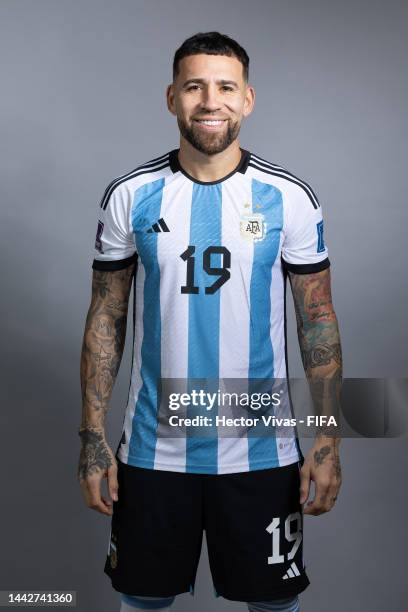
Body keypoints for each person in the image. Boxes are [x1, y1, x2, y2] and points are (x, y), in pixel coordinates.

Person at [78, 31, 342, 612]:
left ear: (248, 99)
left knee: (272, 605)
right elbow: (106, 317)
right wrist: (94, 437)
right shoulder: (132, 194)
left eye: (225, 87)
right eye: (195, 86)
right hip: (152, 451)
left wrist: (324, 437)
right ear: (172, 97)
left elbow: (316, 322)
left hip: (262, 452)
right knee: (142, 601)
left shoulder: (288, 197)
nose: (210, 101)